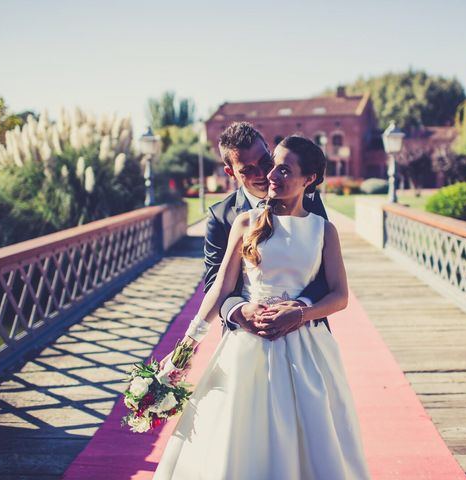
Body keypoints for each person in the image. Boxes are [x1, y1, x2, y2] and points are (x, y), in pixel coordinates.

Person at [153, 135, 370, 479]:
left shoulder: (324, 230)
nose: (270, 175)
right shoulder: (243, 222)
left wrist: (300, 312)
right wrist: (186, 345)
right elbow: (219, 287)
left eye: (282, 169)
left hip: (307, 349)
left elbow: (339, 295)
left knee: (311, 437)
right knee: (238, 436)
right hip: (246, 346)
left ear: (308, 179)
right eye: (272, 168)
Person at [203, 122, 330, 338]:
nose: (263, 173)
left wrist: (300, 308)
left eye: (264, 161)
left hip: (305, 330)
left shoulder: (309, 200)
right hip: (247, 335)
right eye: (248, 170)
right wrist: (239, 311)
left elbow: (326, 274)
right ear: (230, 172)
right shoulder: (221, 216)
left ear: (269, 150)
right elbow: (216, 283)